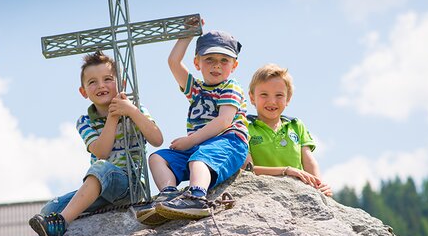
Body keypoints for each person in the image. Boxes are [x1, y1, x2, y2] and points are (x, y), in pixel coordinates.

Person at [29, 51, 163, 236]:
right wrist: (113, 117)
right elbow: (101, 151)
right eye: (92, 82)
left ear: (121, 84)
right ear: (83, 91)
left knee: (101, 169)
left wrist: (132, 111)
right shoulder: (85, 121)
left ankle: (62, 223)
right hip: (103, 188)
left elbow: (157, 139)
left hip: (130, 185)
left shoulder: (136, 109)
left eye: (108, 79)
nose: (101, 85)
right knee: (50, 208)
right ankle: (76, 214)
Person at [137, 27, 249, 225]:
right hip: (199, 148)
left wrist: (189, 141)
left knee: (198, 159)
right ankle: (169, 195)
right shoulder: (196, 89)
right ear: (197, 63)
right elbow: (173, 62)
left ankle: (197, 198)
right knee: (157, 158)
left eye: (224, 60)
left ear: (234, 65)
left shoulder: (230, 86)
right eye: (209, 60)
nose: (217, 66)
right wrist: (187, 35)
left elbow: (224, 121)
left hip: (229, 142)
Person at [246, 63, 332, 197]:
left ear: (288, 98)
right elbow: (248, 170)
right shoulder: (245, 127)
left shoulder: (296, 125)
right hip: (262, 194)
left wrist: (319, 185)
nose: (272, 101)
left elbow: (309, 161)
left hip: (297, 193)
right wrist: (286, 171)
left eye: (279, 95)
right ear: (252, 98)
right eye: (264, 94)